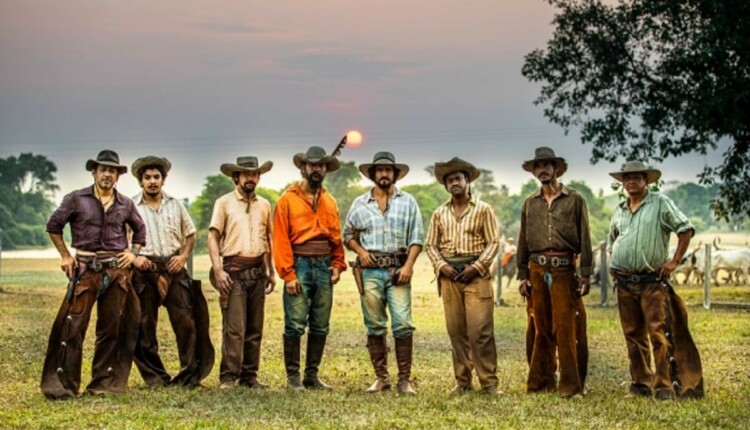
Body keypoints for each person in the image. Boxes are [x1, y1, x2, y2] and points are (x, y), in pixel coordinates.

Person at [41, 150, 146, 398]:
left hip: (116, 271)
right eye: (103, 170)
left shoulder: (126, 204)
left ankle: (103, 383)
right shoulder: (76, 199)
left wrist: (133, 253)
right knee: (73, 326)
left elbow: (140, 231)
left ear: (118, 175)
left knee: (111, 328)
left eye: (112, 171)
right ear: (94, 172)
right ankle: (64, 385)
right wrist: (66, 256)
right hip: (86, 269)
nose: (107, 174)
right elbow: (54, 226)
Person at [608, 161, 704, 400]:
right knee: (632, 333)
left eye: (636, 178)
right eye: (626, 178)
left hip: (651, 280)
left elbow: (685, 229)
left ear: (646, 180)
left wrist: (674, 262)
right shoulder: (619, 209)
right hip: (624, 280)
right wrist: (614, 262)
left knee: (658, 333)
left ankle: (663, 385)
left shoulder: (660, 203)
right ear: (622, 182)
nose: (631, 182)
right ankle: (640, 382)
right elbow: (613, 239)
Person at [130, 155, 214, 388]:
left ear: (163, 180)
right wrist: (135, 259)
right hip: (145, 271)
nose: (152, 181)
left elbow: (191, 233)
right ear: (141, 182)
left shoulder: (175, 204)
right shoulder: (130, 207)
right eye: (147, 178)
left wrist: (184, 256)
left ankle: (189, 376)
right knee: (144, 326)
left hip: (173, 268)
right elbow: (120, 239)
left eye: (157, 177)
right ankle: (156, 378)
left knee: (187, 322)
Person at [344, 151, 423, 395]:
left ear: (395, 174)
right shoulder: (359, 203)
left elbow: (417, 238)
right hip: (369, 271)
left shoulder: (408, 201)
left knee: (402, 323)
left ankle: (404, 380)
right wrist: (360, 250)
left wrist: (408, 266)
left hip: (398, 269)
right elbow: (347, 235)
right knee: (375, 325)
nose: (384, 174)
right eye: (380, 170)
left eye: (389, 170)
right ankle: (381, 377)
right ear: (373, 175)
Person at [517, 147, 591, 398]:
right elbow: (523, 241)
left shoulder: (575, 199)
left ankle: (571, 387)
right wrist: (522, 274)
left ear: (556, 168)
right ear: (534, 171)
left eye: (547, 165)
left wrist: (586, 273)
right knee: (540, 327)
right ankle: (540, 382)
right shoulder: (530, 203)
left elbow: (585, 238)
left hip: (564, 269)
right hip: (536, 270)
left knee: (566, 327)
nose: (543, 170)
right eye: (538, 167)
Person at [424, 157, 502, 395]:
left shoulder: (483, 209)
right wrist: (441, 265)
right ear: (446, 186)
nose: (454, 183)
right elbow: (430, 244)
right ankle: (462, 382)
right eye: (450, 180)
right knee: (456, 331)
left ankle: (489, 382)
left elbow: (493, 242)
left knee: (480, 331)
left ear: (467, 181)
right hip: (449, 276)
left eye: (458, 178)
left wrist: (477, 267)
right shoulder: (439, 213)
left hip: (476, 275)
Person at [273, 146, 347, 391]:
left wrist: (337, 264)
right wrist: (288, 273)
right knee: (294, 323)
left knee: (320, 324)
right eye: (312, 165)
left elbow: (336, 238)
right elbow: (281, 239)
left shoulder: (329, 201)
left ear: (326, 169)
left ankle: (311, 376)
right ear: (302, 168)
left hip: (324, 265)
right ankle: (293, 377)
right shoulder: (287, 199)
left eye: (321, 165)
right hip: (299, 264)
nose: (317, 169)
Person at [208, 156, 276, 389]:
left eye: (255, 174)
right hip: (233, 272)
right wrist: (218, 269)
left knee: (255, 328)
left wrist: (271, 271)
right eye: (246, 174)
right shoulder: (224, 203)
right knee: (234, 329)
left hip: (258, 271)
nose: (251, 178)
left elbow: (268, 238)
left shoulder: (265, 205)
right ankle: (228, 376)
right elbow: (213, 236)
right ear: (236, 177)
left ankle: (249, 376)